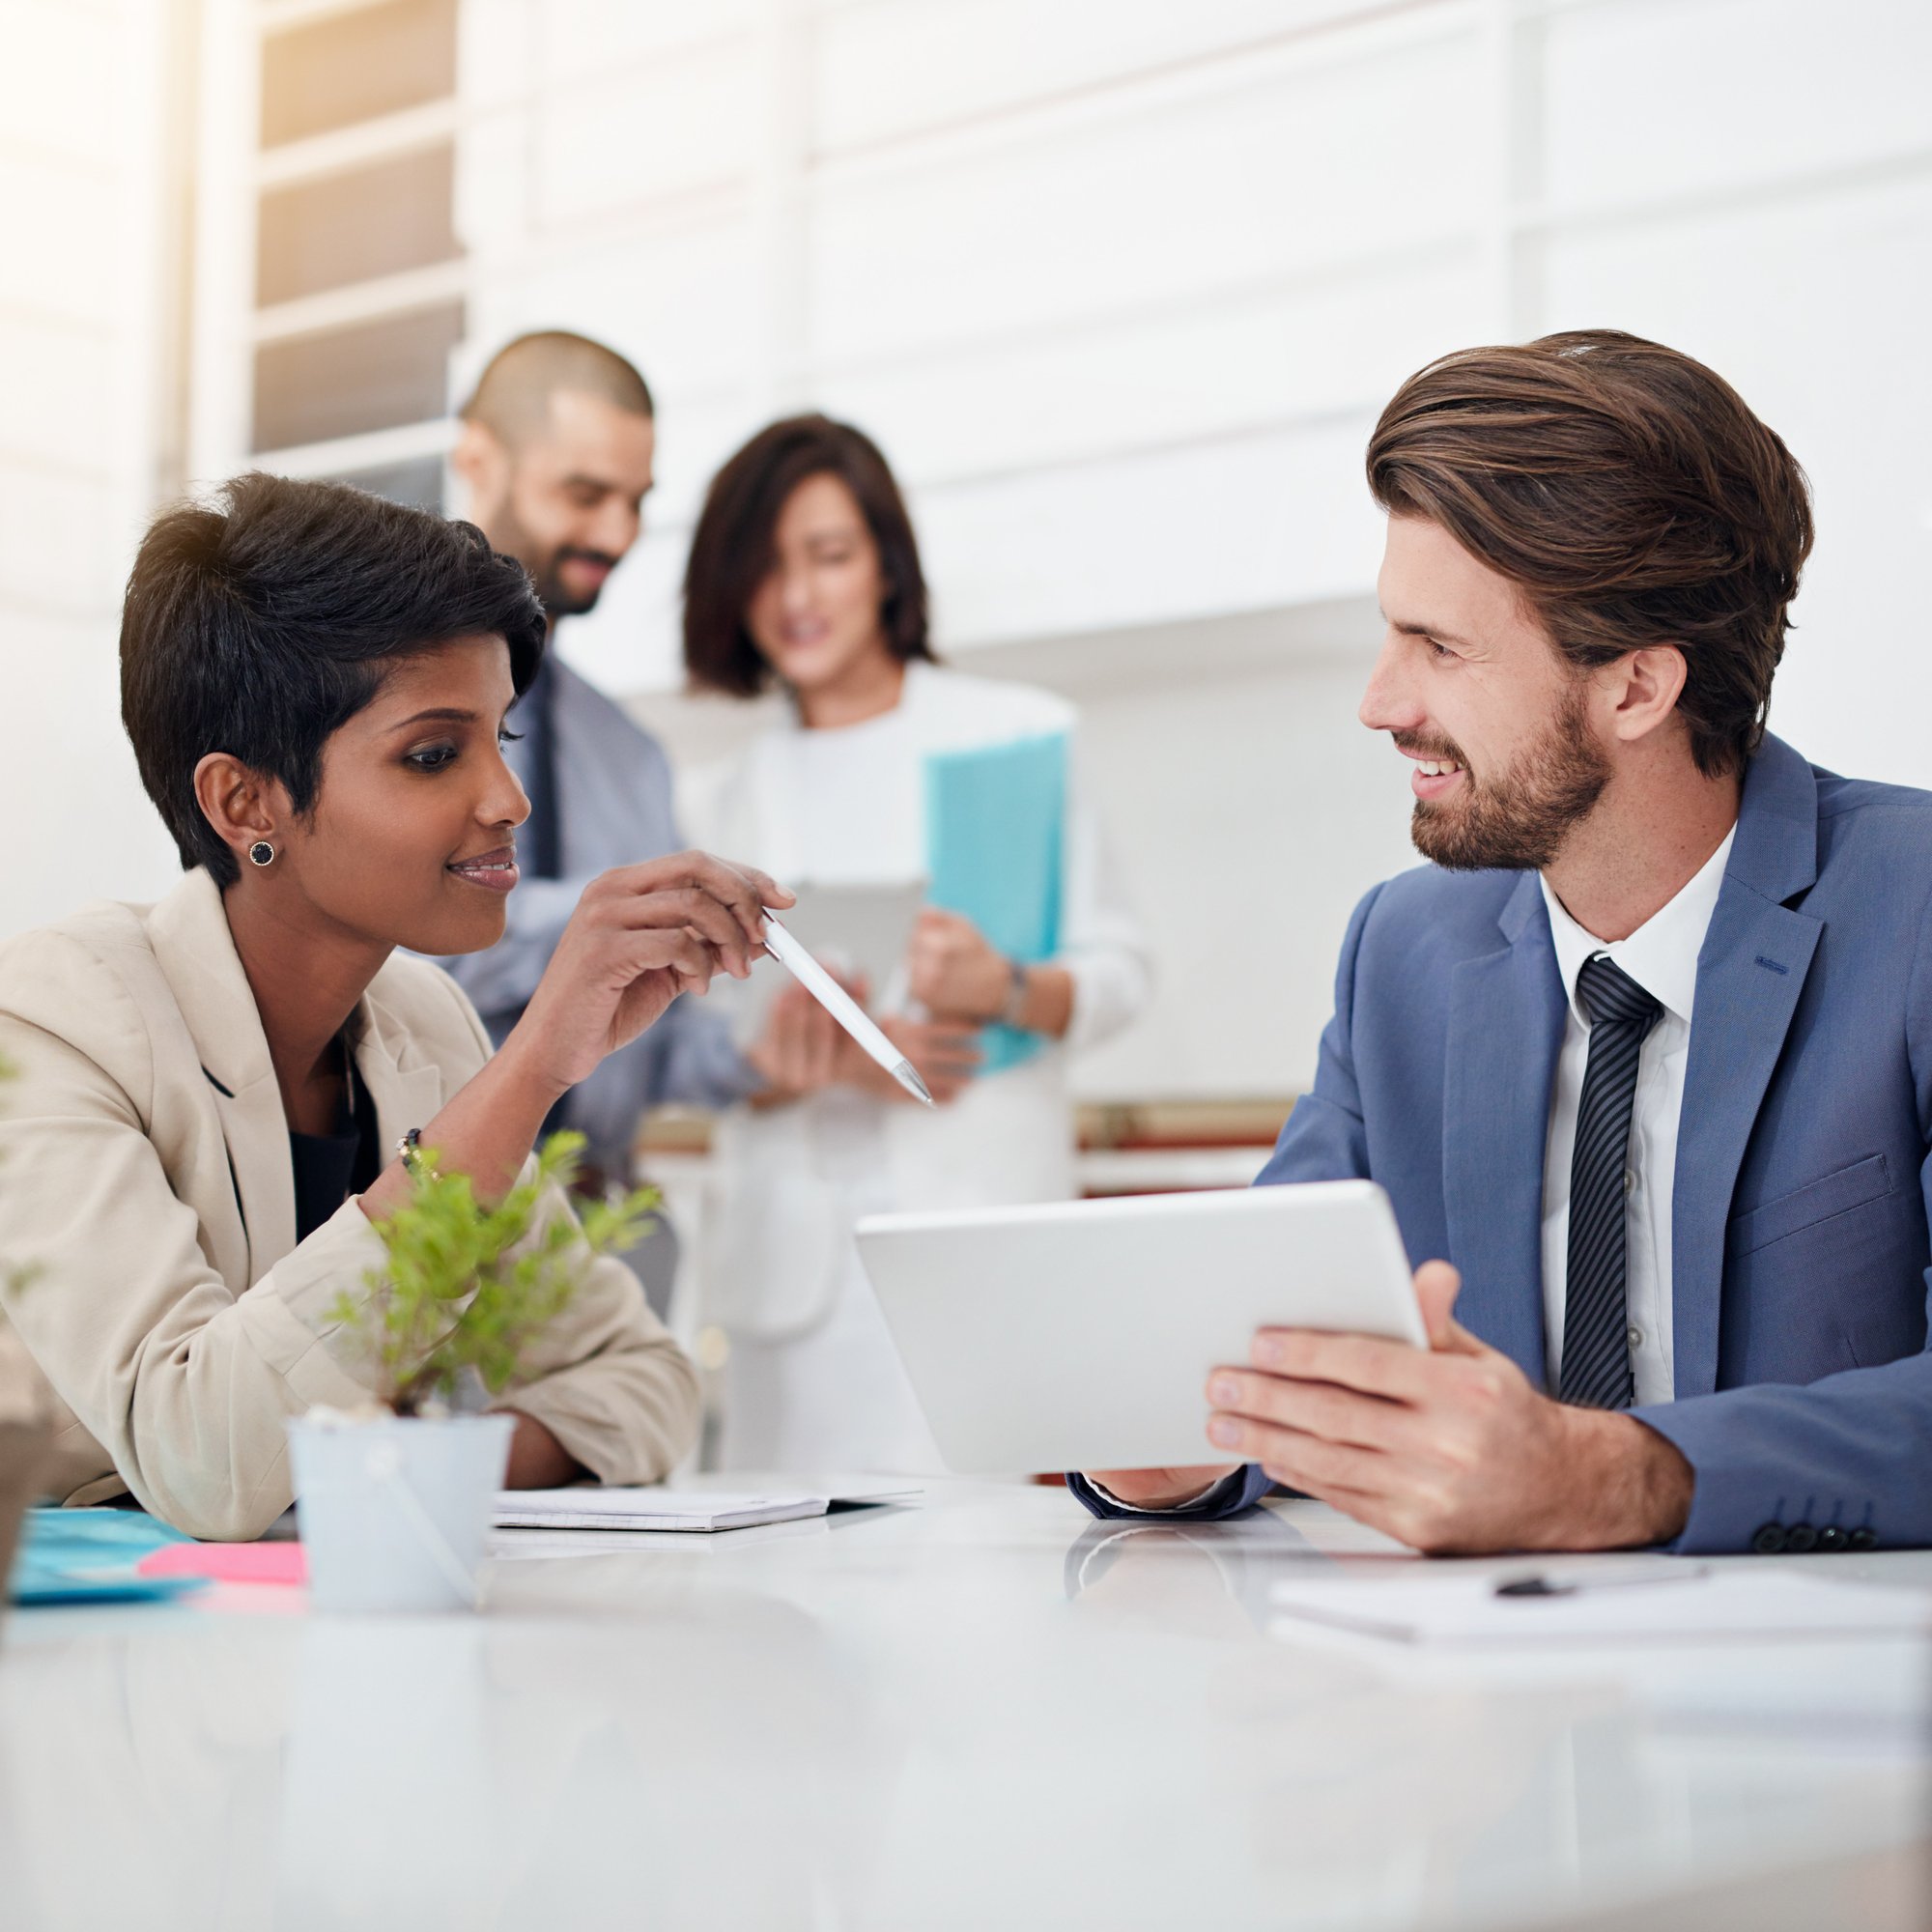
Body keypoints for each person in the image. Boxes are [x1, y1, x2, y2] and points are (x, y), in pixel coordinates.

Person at [1082, 329, 1932, 1555]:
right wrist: (1173, 1446)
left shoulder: (1906, 909)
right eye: (1389, 635)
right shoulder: (1402, 954)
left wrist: (1613, 1476)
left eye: (1439, 647)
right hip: (1491, 1711)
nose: (1379, 701)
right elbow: (1264, 1337)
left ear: (1635, 688)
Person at [0, 473, 792, 1540]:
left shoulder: (422, 1022)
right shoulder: (51, 1022)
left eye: (500, 738)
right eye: (432, 753)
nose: (509, 800)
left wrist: (393, 1453)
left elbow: (644, 1382)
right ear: (246, 802)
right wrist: (530, 1072)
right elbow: (200, 1453)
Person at [683, 413, 1153, 1471]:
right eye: (763, 568)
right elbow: (694, 1043)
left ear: (886, 567)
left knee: (990, 1580)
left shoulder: (1012, 736)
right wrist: (792, 1060)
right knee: (791, 1588)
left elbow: (1120, 968)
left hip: (977, 1228)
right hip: (795, 1274)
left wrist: (1007, 986)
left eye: (829, 555)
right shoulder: (717, 796)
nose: (796, 596)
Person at [438, 332, 777, 1235]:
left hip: (594, 1240)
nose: (618, 535)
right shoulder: (363, 705)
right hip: (408, 1222)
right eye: (585, 494)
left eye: (636, 503)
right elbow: (380, 951)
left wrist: (774, 1054)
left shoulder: (630, 756)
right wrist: (600, 919)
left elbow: (649, 1046)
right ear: (478, 460)